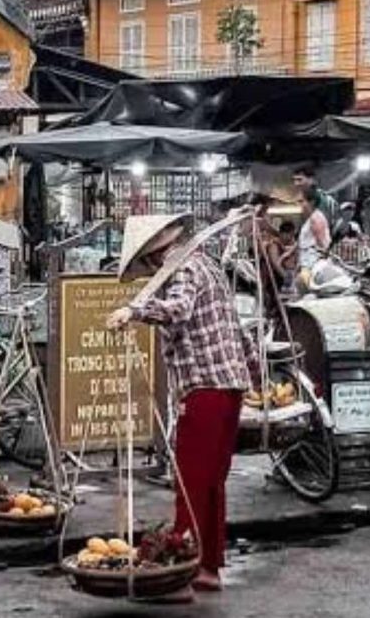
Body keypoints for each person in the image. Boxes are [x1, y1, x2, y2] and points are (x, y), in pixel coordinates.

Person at [105, 212, 260, 597]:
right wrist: (254, 373)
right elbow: (236, 330)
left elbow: (179, 308)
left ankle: (180, 573)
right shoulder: (207, 264)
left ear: (154, 256)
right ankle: (207, 566)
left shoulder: (184, 269)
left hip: (204, 387)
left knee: (190, 483)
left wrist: (135, 311)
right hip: (229, 384)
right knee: (210, 483)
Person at [296, 188, 331, 273]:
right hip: (307, 261)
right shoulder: (312, 217)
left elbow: (323, 244)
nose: (299, 205)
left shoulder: (315, 218)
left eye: (302, 201)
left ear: (311, 202)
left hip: (313, 262)